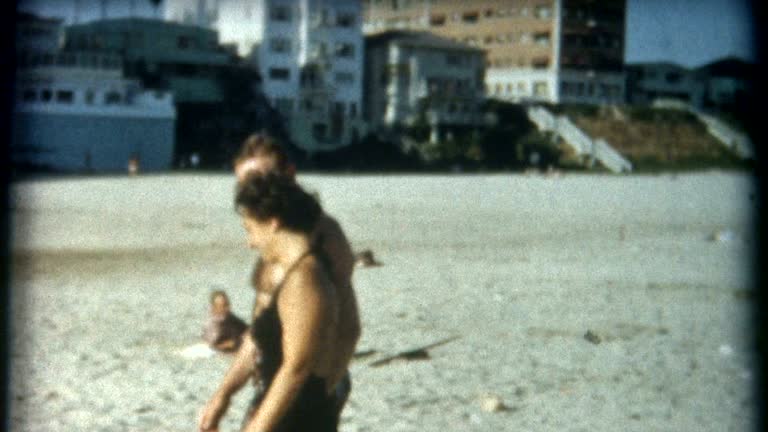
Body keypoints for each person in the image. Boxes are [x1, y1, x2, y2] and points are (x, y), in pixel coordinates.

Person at [198, 133, 361, 431]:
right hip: (275, 381)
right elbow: (260, 331)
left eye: (261, 178)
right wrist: (225, 393)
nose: (254, 191)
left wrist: (324, 388)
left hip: (307, 391)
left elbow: (348, 330)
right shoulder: (274, 245)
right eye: (245, 183)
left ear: (289, 175)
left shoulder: (323, 239)